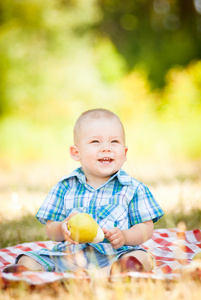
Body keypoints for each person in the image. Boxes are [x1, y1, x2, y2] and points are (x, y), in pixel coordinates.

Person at [3, 108, 164, 276]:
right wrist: (63, 228)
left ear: (124, 153)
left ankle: (112, 273)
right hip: (70, 255)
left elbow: (146, 227)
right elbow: (51, 229)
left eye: (114, 141)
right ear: (76, 153)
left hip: (114, 254)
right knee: (28, 258)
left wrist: (125, 236)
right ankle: (26, 274)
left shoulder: (132, 188)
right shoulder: (65, 186)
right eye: (96, 142)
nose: (106, 148)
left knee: (141, 257)